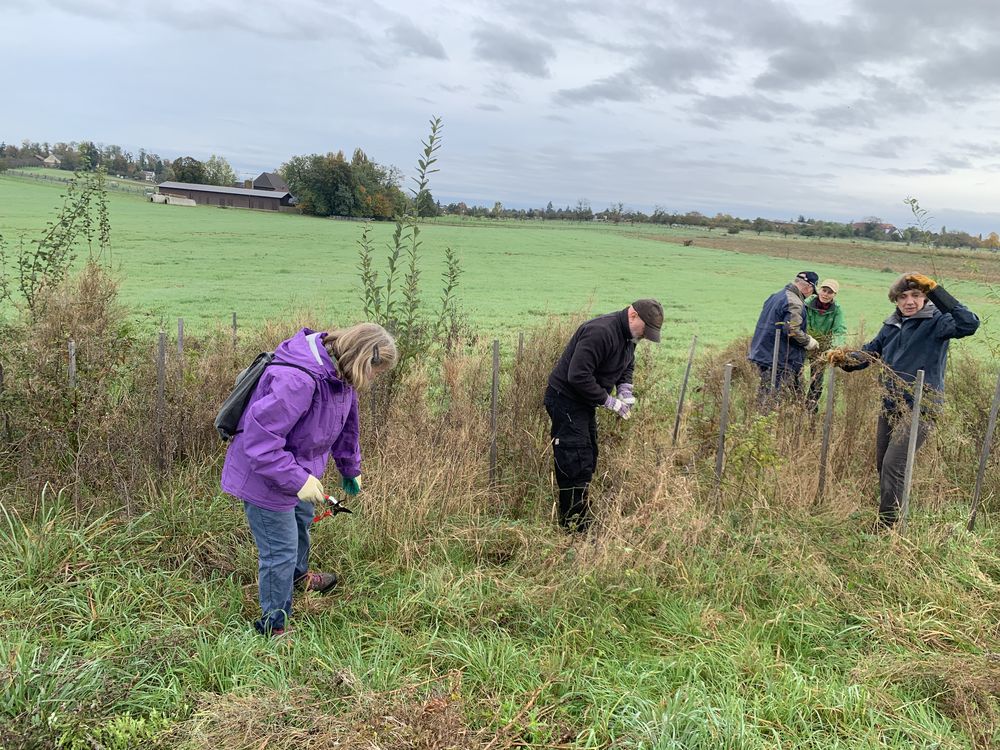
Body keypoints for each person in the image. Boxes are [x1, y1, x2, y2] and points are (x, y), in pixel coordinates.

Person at [221, 323, 398, 636]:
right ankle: (272, 627)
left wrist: (349, 467)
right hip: (264, 479)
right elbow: (260, 444)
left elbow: (347, 426)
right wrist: (297, 480)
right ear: (361, 360)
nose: (374, 379)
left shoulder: (340, 376)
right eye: (376, 371)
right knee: (280, 552)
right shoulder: (297, 380)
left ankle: (298, 578)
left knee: (301, 524)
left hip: (297, 474)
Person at [828, 273, 979, 530]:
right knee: (883, 465)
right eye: (903, 296)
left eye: (916, 295)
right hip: (891, 406)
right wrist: (844, 359)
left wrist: (936, 290)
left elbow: (969, 324)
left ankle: (887, 527)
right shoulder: (892, 324)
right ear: (895, 300)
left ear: (925, 296)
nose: (909, 301)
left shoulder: (937, 322)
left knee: (893, 463)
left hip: (921, 407)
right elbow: (870, 353)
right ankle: (893, 516)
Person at [544, 299, 663, 532]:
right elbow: (577, 375)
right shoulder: (600, 332)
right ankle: (573, 528)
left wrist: (625, 389)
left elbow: (627, 363)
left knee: (588, 457)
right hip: (565, 400)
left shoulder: (630, 337)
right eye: (645, 330)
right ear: (633, 315)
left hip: (584, 403)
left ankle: (580, 518)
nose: (645, 337)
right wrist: (609, 402)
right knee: (574, 460)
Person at [747, 271, 820, 405]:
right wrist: (808, 341)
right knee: (773, 400)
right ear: (808, 287)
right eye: (812, 292)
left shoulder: (776, 296)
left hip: (762, 353)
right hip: (779, 359)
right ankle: (768, 425)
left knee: (765, 394)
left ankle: (759, 423)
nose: (810, 295)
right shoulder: (795, 302)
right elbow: (792, 329)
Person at [805, 279, 848, 411]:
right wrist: (806, 339)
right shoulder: (806, 304)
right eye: (824, 290)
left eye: (830, 292)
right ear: (819, 290)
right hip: (804, 343)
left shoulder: (837, 310)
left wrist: (835, 348)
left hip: (822, 348)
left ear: (834, 295)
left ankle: (811, 408)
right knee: (796, 373)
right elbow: (801, 323)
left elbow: (839, 330)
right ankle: (794, 404)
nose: (826, 294)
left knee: (817, 379)